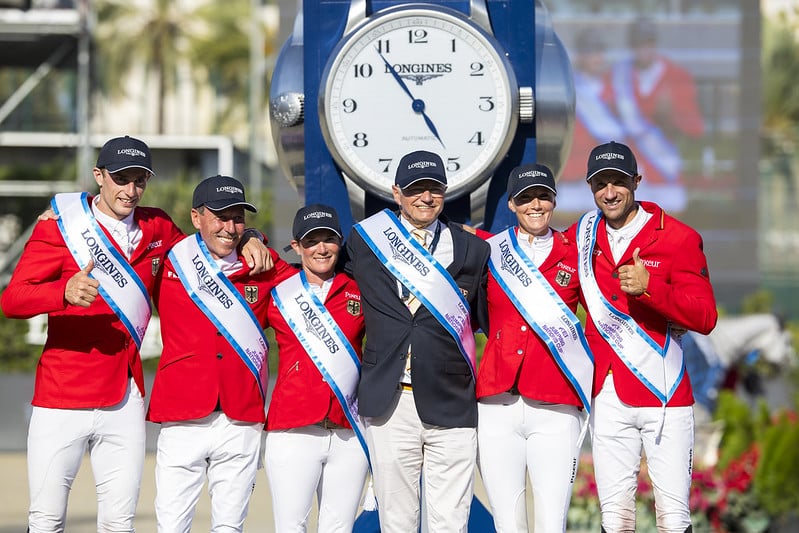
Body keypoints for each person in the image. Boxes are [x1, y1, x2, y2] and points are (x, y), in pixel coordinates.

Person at [0, 136, 269, 533]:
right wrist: (62, 292)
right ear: (99, 176)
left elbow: (206, 250)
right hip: (61, 395)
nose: (130, 190)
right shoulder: (62, 228)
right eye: (121, 178)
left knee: (119, 522)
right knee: (46, 519)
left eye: (139, 180)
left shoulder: (157, 226)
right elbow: (12, 299)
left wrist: (249, 236)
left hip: (124, 398)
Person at [567, 141, 718, 532]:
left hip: (664, 394)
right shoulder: (582, 235)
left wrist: (652, 288)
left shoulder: (679, 237)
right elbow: (539, 257)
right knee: (614, 520)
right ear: (590, 187)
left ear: (636, 181)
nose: (610, 192)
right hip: (608, 394)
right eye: (600, 184)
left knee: (673, 519)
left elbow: (704, 316)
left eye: (618, 182)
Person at [344, 150, 490, 532]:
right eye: (415, 190)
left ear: (445, 191)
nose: (425, 197)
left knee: (450, 523)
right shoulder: (366, 241)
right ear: (396, 193)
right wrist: (253, 240)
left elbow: (491, 314)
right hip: (391, 401)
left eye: (434, 189)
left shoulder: (472, 249)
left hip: (452, 401)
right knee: (397, 522)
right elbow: (319, 266)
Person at [146, 174, 293, 532]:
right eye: (220, 216)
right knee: (171, 526)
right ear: (196, 218)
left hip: (240, 416)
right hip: (182, 414)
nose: (230, 227)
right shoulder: (170, 259)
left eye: (238, 218)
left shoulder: (264, 263)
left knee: (230, 527)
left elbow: (314, 286)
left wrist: (257, 238)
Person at [473, 163, 594, 532]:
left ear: (554, 200)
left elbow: (603, 318)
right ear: (511, 205)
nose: (536, 205)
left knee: (551, 520)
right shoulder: (490, 253)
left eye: (543, 196)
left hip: (556, 403)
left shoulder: (575, 253)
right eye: (525, 198)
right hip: (496, 403)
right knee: (507, 522)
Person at [263, 203, 369, 532]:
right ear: (296, 246)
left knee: (339, 528)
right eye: (311, 241)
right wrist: (254, 235)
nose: (321, 249)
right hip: (293, 430)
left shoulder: (359, 289)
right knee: (291, 526)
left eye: (328, 239)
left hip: (347, 431)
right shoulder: (279, 290)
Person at [605, 17, 705, 213]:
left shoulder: (677, 77)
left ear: (655, 44)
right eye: (638, 44)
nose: (643, 49)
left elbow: (696, 129)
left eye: (648, 43)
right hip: (630, 179)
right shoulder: (618, 76)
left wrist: (671, 115)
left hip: (665, 176)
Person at [559, 29, 624, 213]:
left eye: (599, 51)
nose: (596, 57)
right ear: (580, 56)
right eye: (590, 52)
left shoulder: (615, 90)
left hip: (606, 179)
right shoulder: (569, 88)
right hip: (573, 176)